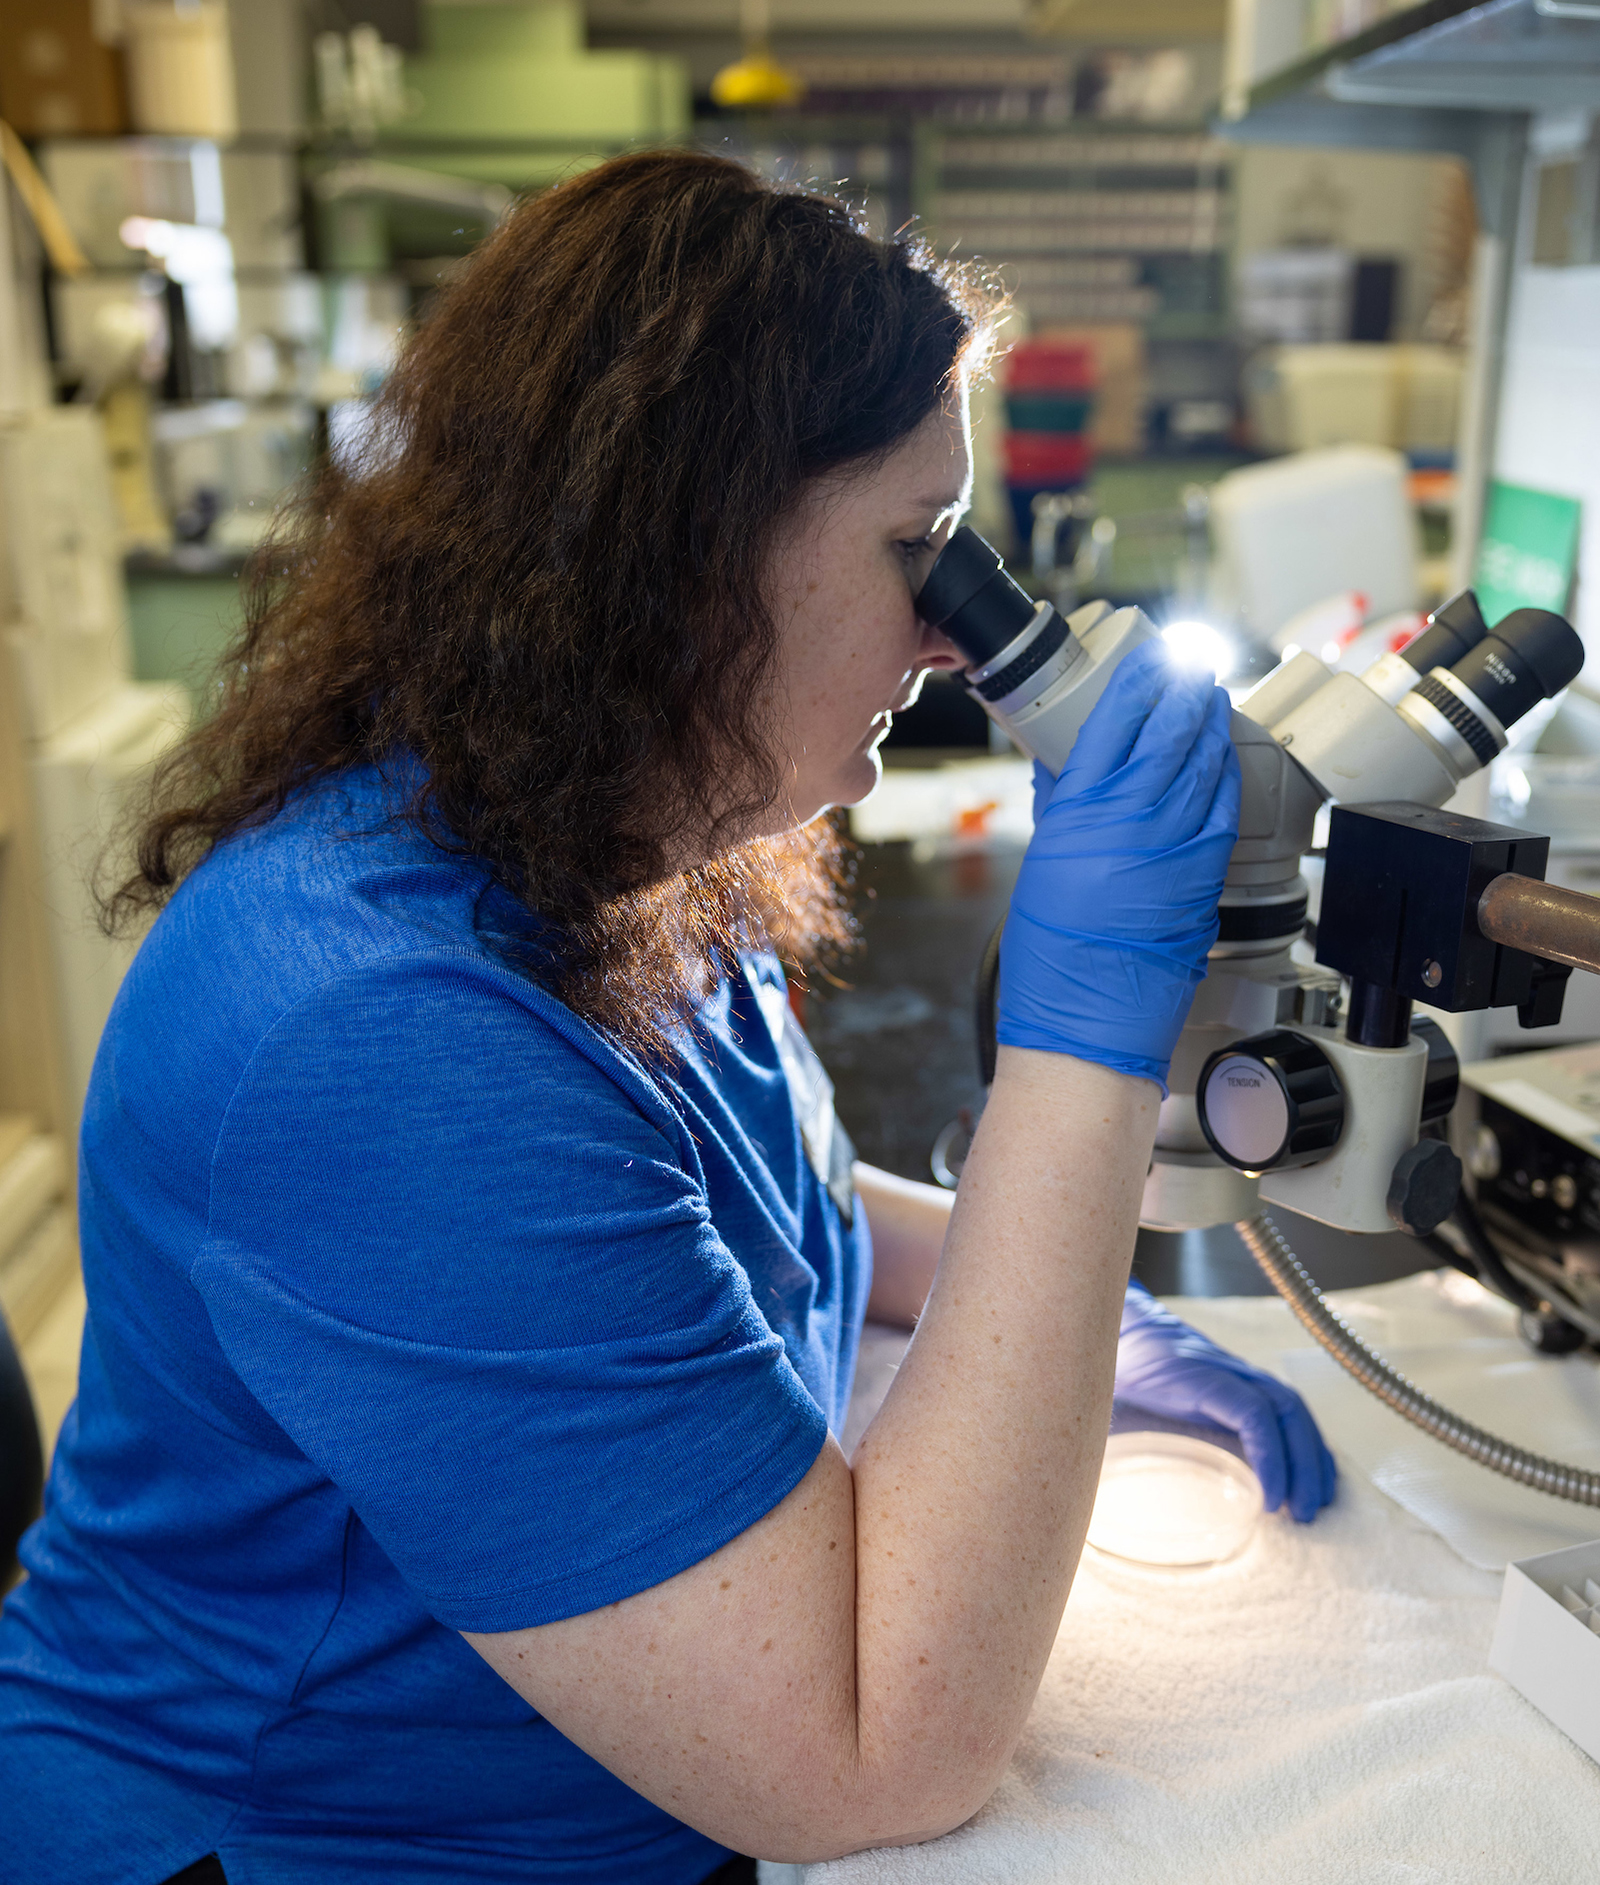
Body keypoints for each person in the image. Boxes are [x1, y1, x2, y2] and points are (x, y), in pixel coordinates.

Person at [0, 151, 1334, 1884]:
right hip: (312, 1849)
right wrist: (1084, 1047)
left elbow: (719, 1211)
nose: (953, 637)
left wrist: (1071, 1320)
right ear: (686, 558)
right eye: (915, 551)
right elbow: (864, 1757)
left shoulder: (624, 835)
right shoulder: (378, 1031)